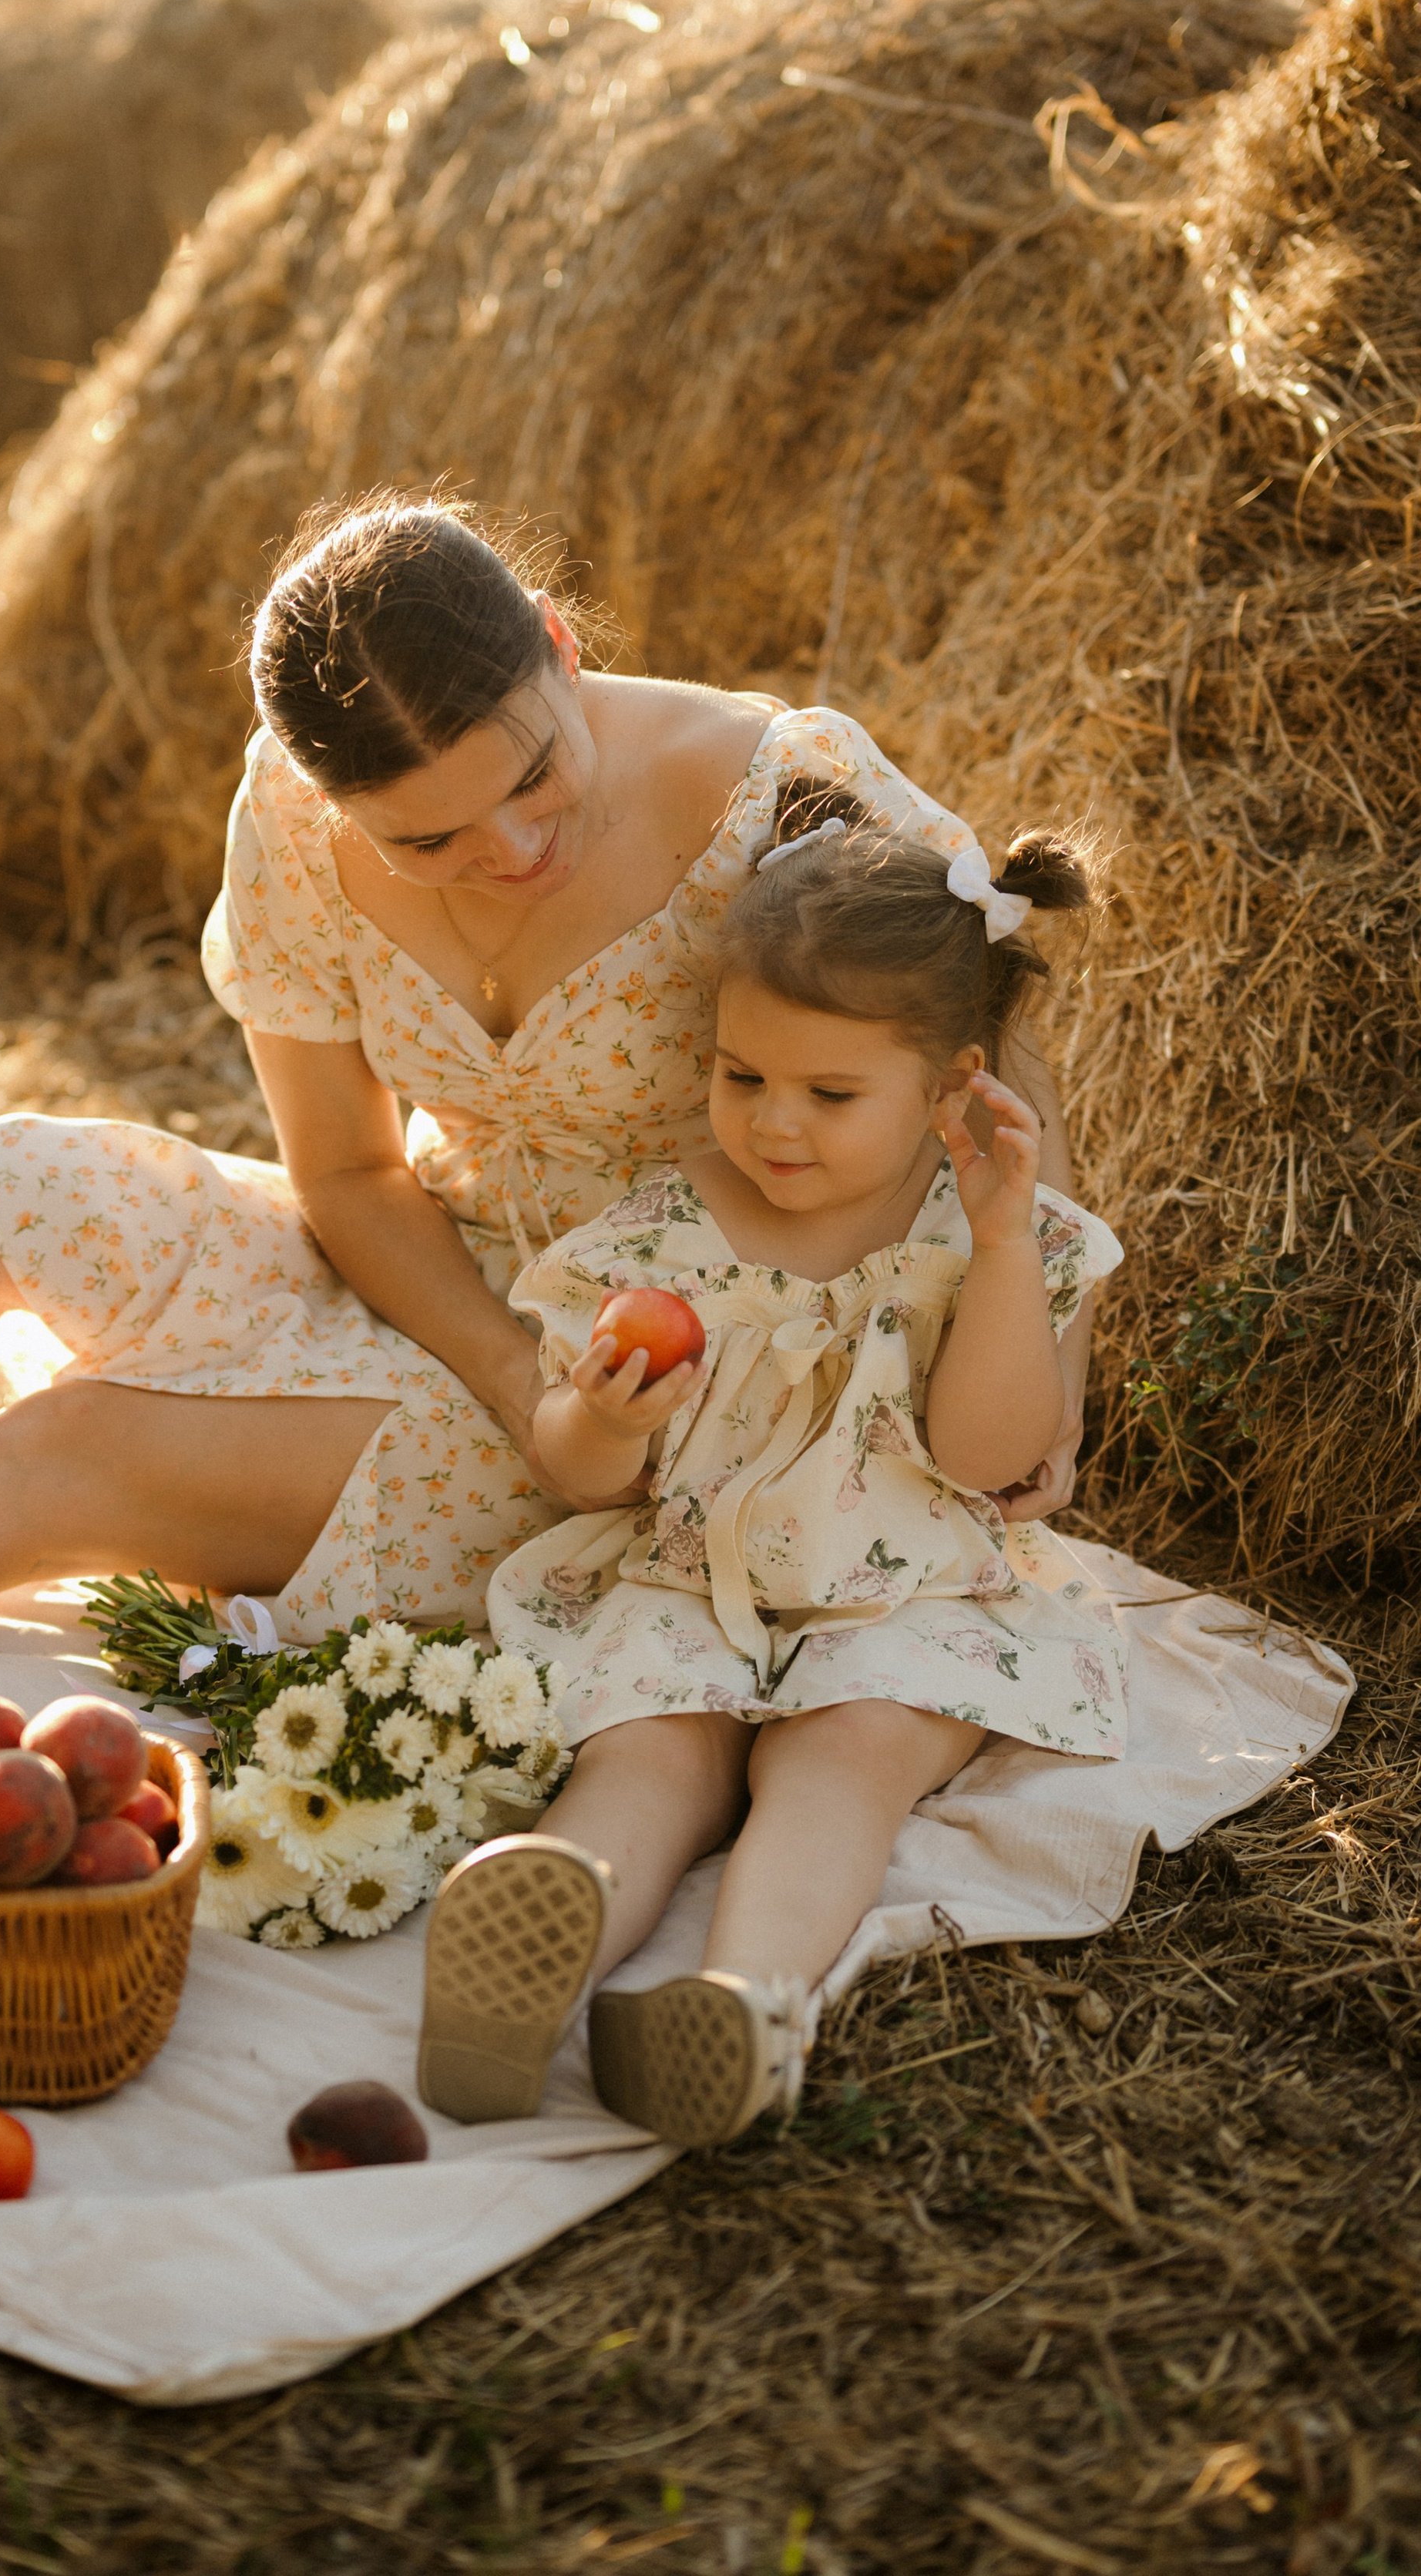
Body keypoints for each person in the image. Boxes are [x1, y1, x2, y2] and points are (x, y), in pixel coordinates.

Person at [0, 499, 1090, 1671]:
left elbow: (991, 1034)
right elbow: (353, 1179)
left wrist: (1044, 1370)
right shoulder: (292, 822)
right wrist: (498, 1360)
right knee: (12, 1181)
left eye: (534, 773)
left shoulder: (779, 791)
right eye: (430, 839)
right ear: (329, 805)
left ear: (560, 649)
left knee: (81, 1448)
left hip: (663, 1380)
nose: (509, 850)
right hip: (441, 1275)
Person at [416, 808, 1124, 2149]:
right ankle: (530, 1958)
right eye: (744, 1079)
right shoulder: (670, 1229)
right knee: (650, 1760)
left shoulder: (975, 1235)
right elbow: (577, 1478)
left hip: (908, 1584)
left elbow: (983, 1460)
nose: (773, 1125)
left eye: (830, 1095)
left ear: (951, 1086)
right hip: (693, 1578)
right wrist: (605, 1417)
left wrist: (1006, 1244)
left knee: (842, 1763)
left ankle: (741, 2004)